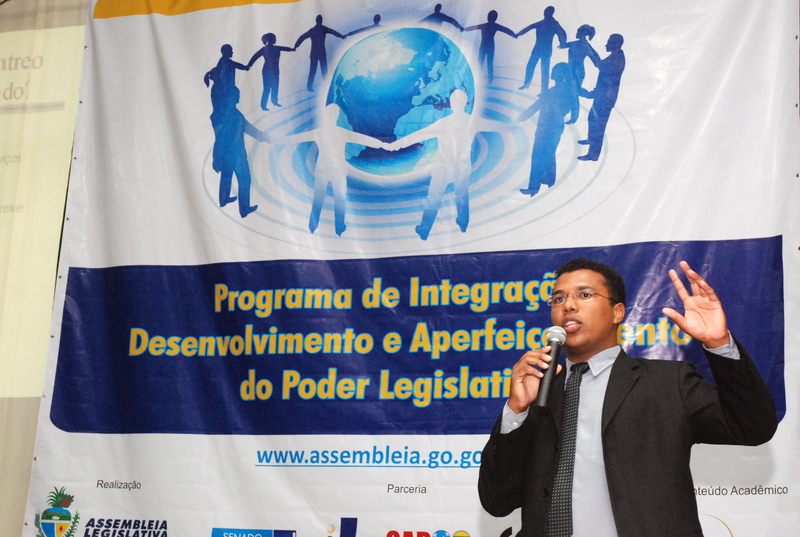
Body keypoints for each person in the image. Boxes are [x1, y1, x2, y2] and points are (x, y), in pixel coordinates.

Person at [478, 258, 778, 537]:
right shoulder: (538, 394)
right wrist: (516, 409)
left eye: (584, 295)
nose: (568, 305)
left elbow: (752, 427)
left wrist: (719, 343)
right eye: (558, 299)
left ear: (617, 312)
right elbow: (497, 501)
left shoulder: (667, 383)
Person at [383, 90, 509, 240]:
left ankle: (425, 229)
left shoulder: (444, 123)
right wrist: (513, 125)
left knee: (434, 197)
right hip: (462, 166)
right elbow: (495, 125)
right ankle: (463, 223)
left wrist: (396, 145)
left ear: (452, 103)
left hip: (443, 166)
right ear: (464, 102)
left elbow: (419, 135)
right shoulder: (472, 121)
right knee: (462, 195)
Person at [279, 103, 385, 236]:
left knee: (318, 198)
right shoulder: (342, 132)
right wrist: (382, 144)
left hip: (322, 170)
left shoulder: (318, 132)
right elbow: (362, 139)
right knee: (340, 199)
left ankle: (312, 225)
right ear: (336, 116)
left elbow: (295, 138)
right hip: (338, 170)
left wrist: (274, 140)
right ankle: (339, 228)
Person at [516, 63, 579, 196]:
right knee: (548, 153)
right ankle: (548, 180)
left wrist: (522, 117)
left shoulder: (554, 92)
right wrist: (573, 117)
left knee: (539, 155)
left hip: (548, 126)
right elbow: (573, 107)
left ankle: (535, 187)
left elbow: (537, 105)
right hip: (552, 126)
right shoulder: (565, 92)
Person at [209, 87, 270, 218]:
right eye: (237, 95)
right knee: (244, 179)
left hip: (226, 153)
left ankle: (223, 199)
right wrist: (264, 137)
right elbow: (248, 129)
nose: (238, 98)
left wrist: (217, 157)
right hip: (237, 153)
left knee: (226, 175)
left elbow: (222, 137)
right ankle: (244, 208)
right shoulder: (234, 114)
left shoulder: (224, 113)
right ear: (231, 97)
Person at [577, 34, 625, 161]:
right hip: (602, 95)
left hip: (606, 98)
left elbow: (600, 65)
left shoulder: (617, 58)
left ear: (616, 44)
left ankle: (593, 154)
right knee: (593, 118)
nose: (606, 44)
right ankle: (591, 140)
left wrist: (587, 47)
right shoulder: (615, 56)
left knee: (599, 125)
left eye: (609, 42)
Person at [516, 6, 566, 91]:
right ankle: (527, 84)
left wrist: (562, 43)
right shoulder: (542, 22)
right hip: (537, 49)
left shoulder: (554, 24)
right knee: (531, 66)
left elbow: (562, 33)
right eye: (545, 11)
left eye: (547, 12)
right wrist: (519, 34)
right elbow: (529, 27)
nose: (545, 13)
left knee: (544, 71)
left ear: (551, 13)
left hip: (546, 51)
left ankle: (544, 90)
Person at [294, 15, 345, 92]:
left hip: (315, 53)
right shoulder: (323, 28)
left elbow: (302, 37)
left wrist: (296, 46)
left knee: (314, 70)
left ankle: (311, 86)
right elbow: (333, 32)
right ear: (320, 21)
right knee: (323, 70)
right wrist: (341, 36)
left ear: (316, 21)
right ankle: (325, 85)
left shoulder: (313, 30)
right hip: (321, 53)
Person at [465, 10, 517, 84]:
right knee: (487, 62)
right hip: (489, 46)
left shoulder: (485, 25)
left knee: (481, 62)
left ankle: (482, 78)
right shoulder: (494, 26)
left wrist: (465, 29)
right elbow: (505, 29)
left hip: (484, 45)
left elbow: (473, 27)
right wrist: (513, 34)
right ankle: (488, 79)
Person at [247, 33, 294, 111]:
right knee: (268, 88)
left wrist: (249, 65)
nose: (275, 40)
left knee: (272, 87)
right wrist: (249, 65)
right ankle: (264, 105)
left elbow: (254, 57)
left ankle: (273, 102)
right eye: (274, 38)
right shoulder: (272, 48)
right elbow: (255, 57)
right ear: (271, 39)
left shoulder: (270, 48)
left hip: (271, 71)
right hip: (269, 71)